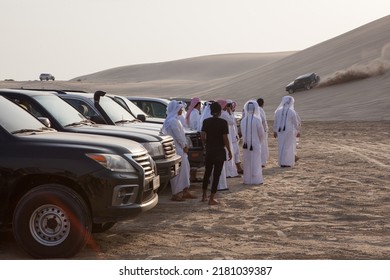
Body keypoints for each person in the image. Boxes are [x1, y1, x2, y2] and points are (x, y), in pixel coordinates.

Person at [162, 100, 197, 201]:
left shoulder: (176, 120)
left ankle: (185, 191)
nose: (182, 110)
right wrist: (184, 145)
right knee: (178, 173)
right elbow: (177, 136)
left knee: (185, 171)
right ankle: (176, 194)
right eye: (180, 109)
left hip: (181, 149)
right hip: (177, 149)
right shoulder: (172, 121)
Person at [201, 102, 232, 205]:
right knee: (216, 174)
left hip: (209, 150)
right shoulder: (223, 122)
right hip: (219, 151)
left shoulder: (206, 121)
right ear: (219, 112)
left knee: (207, 173)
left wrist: (206, 144)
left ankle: (204, 195)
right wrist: (229, 150)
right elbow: (225, 139)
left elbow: (202, 136)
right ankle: (212, 198)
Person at [241, 100, 265, 185]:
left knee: (247, 161)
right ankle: (256, 179)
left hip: (245, 144)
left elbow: (242, 132)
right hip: (255, 143)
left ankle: (247, 179)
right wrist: (260, 142)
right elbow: (261, 134)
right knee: (256, 160)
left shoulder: (243, 120)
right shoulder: (257, 119)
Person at [273, 96, 301, 168]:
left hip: (280, 132)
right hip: (289, 132)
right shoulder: (292, 112)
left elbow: (275, 122)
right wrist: (298, 131)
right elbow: (296, 123)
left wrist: (275, 131)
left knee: (281, 146)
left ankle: (282, 162)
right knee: (288, 146)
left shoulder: (278, 111)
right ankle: (287, 162)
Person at [185, 97, 202, 182]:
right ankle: (192, 176)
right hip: (194, 136)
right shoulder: (195, 113)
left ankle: (193, 176)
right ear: (198, 104)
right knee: (195, 158)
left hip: (191, 135)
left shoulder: (191, 112)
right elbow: (196, 125)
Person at [256, 98, 269, 167]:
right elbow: (263, 120)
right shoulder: (260, 110)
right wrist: (265, 129)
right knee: (262, 145)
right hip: (262, 130)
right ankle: (262, 162)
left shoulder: (256, 109)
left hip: (258, 130)